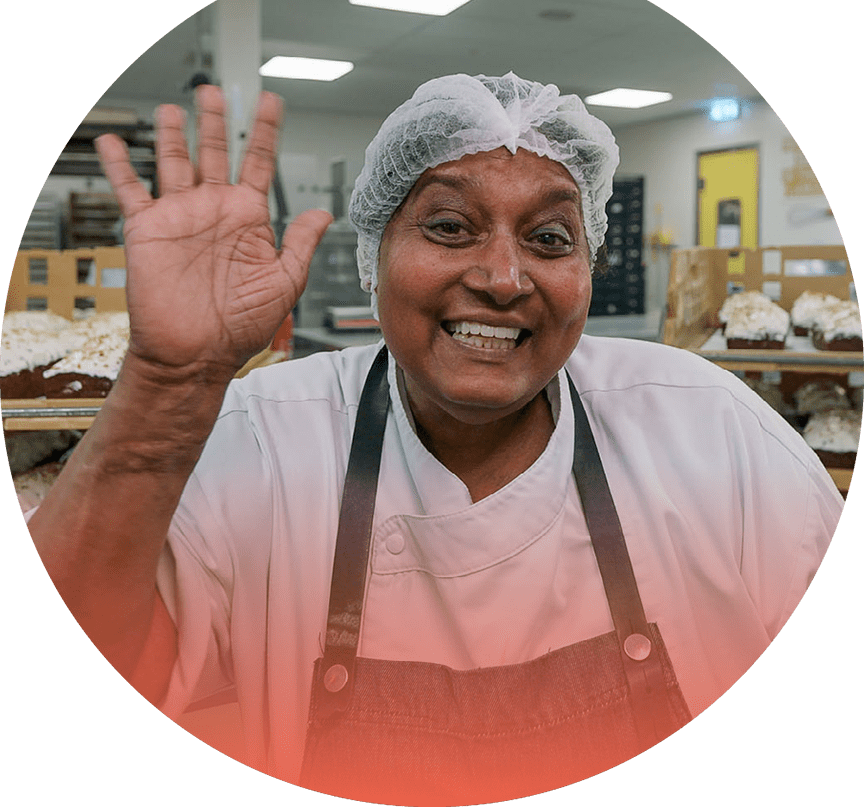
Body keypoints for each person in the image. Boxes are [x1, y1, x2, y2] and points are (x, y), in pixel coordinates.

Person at [27, 73, 842, 805]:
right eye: (450, 226)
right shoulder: (267, 438)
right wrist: (165, 387)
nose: (503, 278)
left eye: (550, 239)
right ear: (375, 256)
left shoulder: (712, 432)